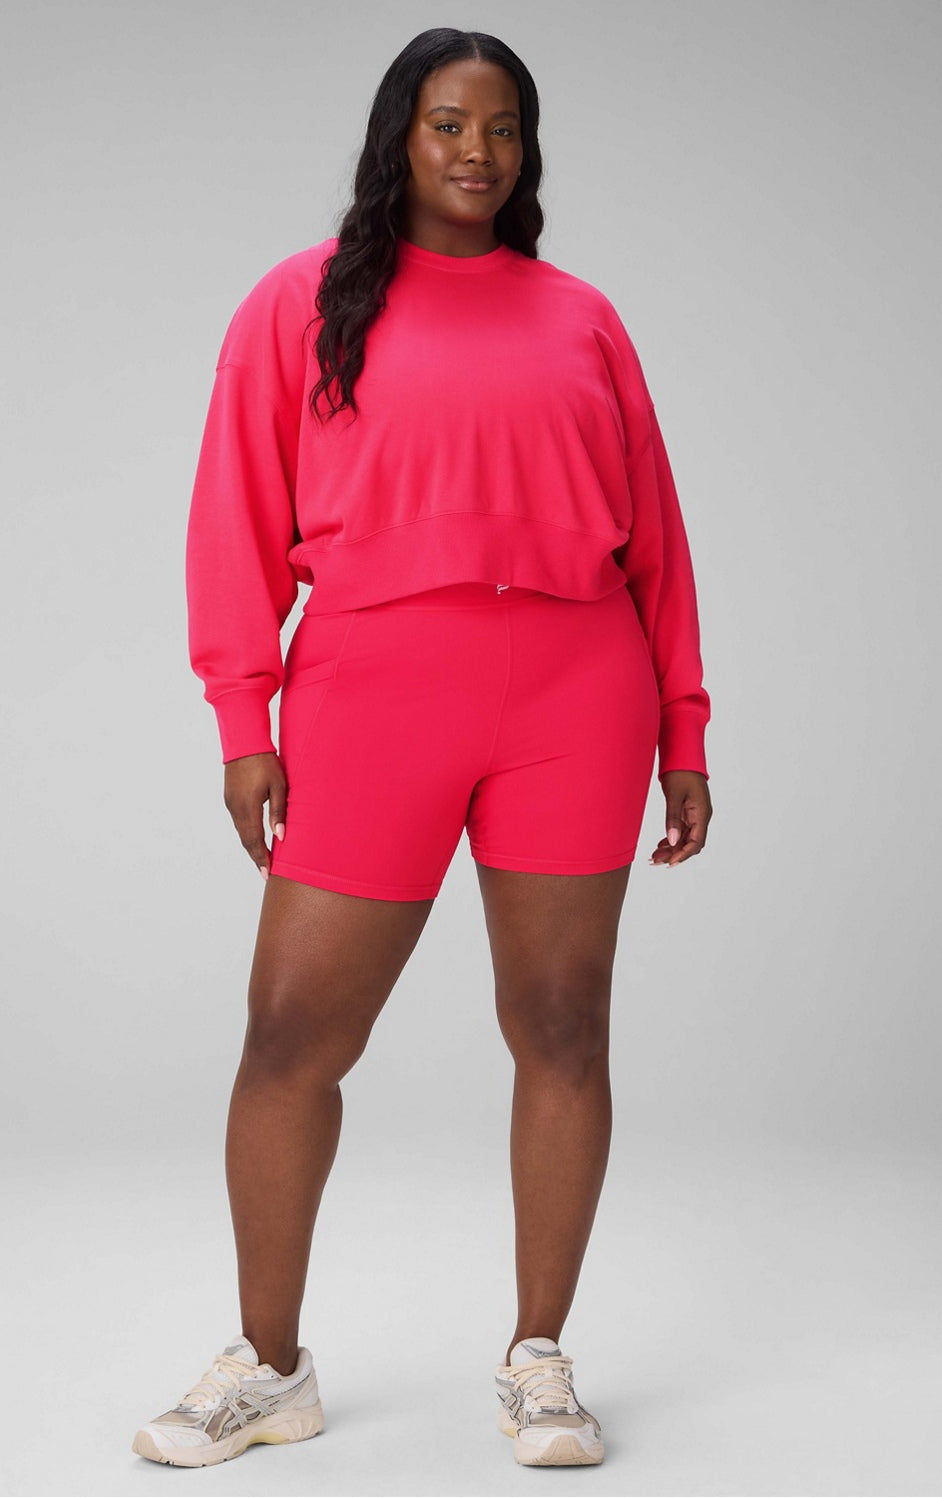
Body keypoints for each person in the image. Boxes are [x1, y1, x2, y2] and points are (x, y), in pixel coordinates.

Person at [132, 25, 713, 1473]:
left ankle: (538, 1359)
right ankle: (269, 1365)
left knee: (562, 1024)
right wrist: (242, 718)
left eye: (503, 127)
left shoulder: (581, 318)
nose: (476, 151)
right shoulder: (301, 302)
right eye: (449, 122)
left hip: (576, 695)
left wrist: (683, 729)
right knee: (291, 1035)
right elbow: (231, 519)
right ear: (400, 133)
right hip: (372, 692)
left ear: (527, 150)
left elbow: (656, 538)